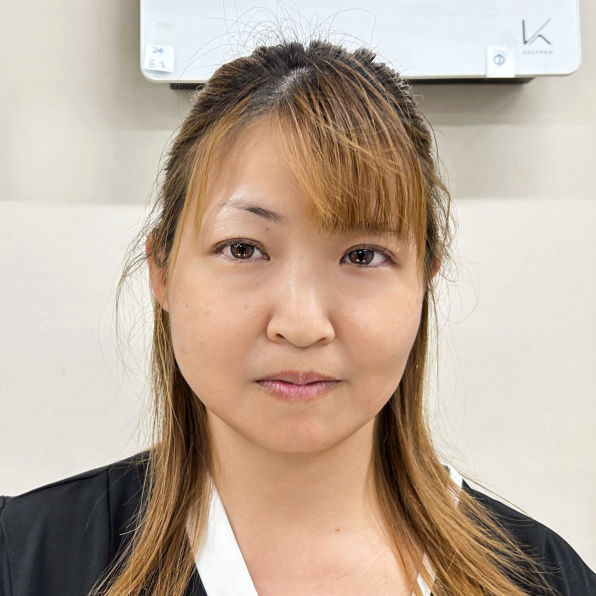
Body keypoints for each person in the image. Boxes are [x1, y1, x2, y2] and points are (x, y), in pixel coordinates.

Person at [1, 40, 594, 596]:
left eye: (362, 256)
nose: (303, 324)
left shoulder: (542, 578)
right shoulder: (26, 558)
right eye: (243, 249)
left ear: (425, 280)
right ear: (163, 270)